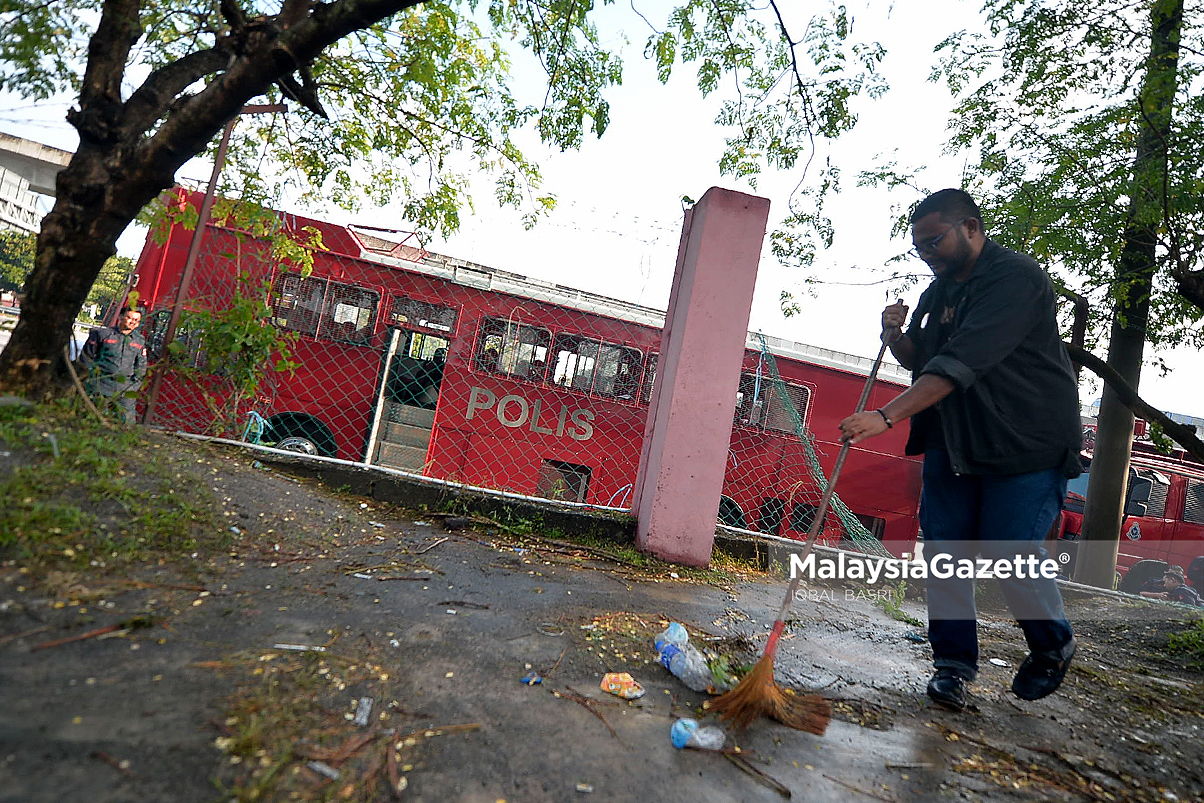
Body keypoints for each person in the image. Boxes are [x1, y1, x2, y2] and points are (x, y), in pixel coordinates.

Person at [839, 189, 1083, 710]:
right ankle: (952, 666)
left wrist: (885, 417)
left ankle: (1051, 645)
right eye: (919, 247)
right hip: (956, 443)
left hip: (1025, 442)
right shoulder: (939, 291)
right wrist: (894, 333)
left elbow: (961, 364)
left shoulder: (1016, 280)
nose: (927, 254)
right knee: (946, 555)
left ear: (970, 227)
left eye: (934, 241)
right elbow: (923, 360)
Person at [78, 306, 148, 424]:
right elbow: (86, 358)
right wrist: (91, 380)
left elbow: (141, 366)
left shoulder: (139, 340)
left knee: (127, 425)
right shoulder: (102, 334)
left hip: (125, 388)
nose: (133, 322)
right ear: (120, 317)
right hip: (101, 384)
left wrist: (133, 386)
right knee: (92, 420)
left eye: (136, 320)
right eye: (129, 318)